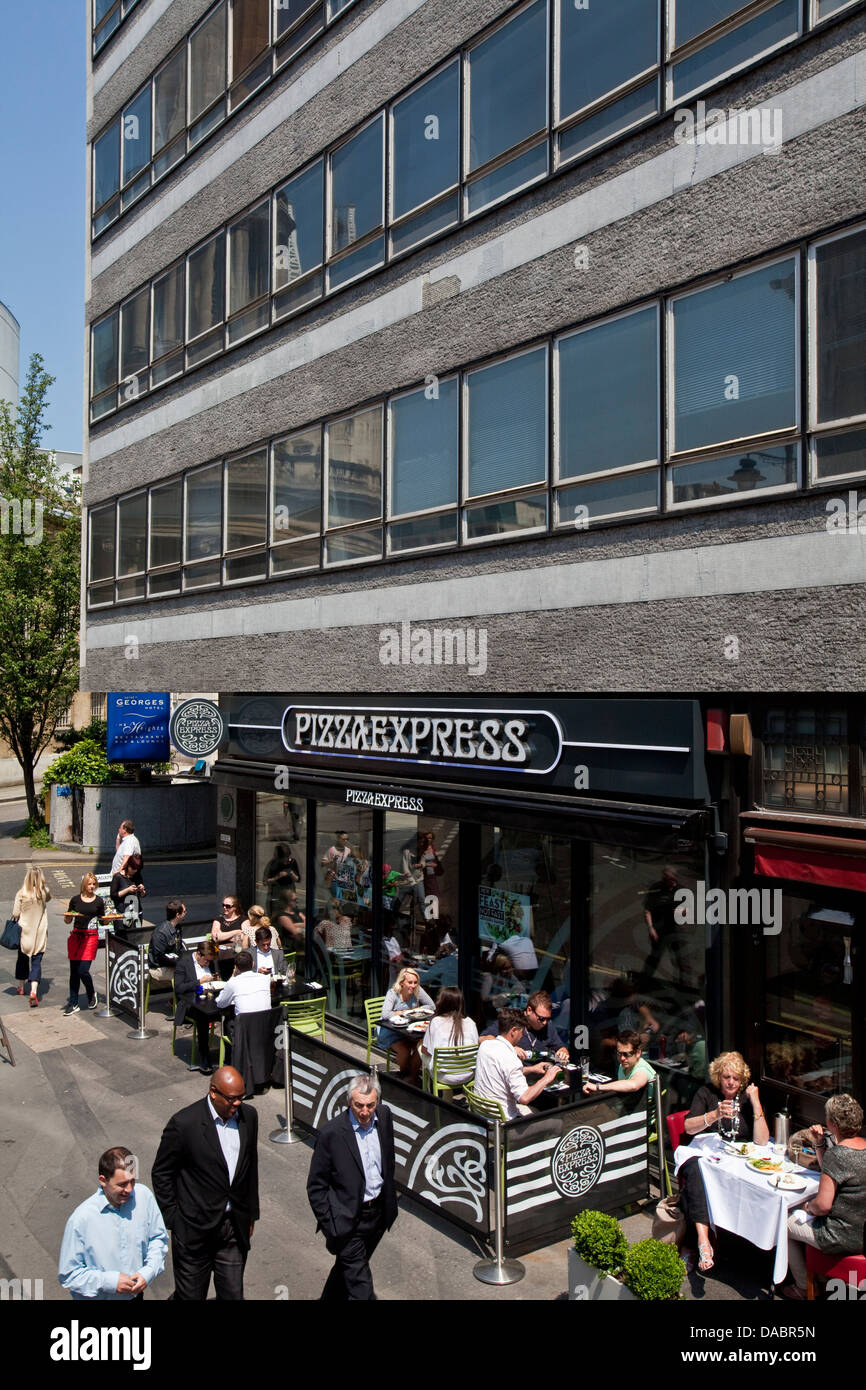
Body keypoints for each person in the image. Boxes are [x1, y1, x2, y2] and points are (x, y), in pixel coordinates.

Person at [152, 1067, 259, 1300]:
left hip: (233, 1229)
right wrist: (175, 1219)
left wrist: (251, 1214)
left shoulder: (249, 1117)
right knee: (190, 1297)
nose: (238, 1103)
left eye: (241, 1097)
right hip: (194, 1232)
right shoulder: (184, 1124)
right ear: (213, 1092)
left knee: (233, 1296)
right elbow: (162, 1173)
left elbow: (250, 1168)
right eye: (231, 1098)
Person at [306, 1073, 398, 1301]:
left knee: (345, 1272)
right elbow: (316, 1185)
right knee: (361, 1289)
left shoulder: (384, 1117)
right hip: (347, 1222)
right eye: (359, 1105)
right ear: (349, 1102)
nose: (365, 1112)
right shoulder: (332, 1134)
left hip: (377, 1216)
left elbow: (388, 1160)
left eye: (370, 1105)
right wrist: (332, 1224)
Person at [678, 1050, 769, 1273]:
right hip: (703, 1152)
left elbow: (762, 1140)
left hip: (736, 1158)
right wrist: (715, 1115)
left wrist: (756, 1103)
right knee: (697, 1173)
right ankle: (702, 1241)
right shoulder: (706, 1093)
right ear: (719, 1076)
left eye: (736, 1078)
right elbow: (688, 1127)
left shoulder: (746, 1099)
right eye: (726, 1077)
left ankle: (748, 1247)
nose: (731, 1082)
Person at [782, 1094, 866, 1300]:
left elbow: (823, 1206)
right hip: (861, 1232)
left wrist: (807, 1207)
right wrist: (819, 1144)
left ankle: (803, 1287)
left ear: (833, 1124)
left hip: (840, 1237)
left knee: (783, 1226)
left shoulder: (838, 1155)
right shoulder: (862, 1147)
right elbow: (830, 1170)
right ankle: (820, 1278)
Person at [58, 1146, 167, 1300]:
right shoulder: (82, 1219)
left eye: (132, 1181)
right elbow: (70, 1274)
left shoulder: (144, 1197)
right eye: (122, 1184)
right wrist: (110, 1282)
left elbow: (157, 1239)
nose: (129, 1189)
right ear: (103, 1181)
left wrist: (148, 1271)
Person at [474, 1008, 560, 1119]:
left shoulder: (485, 1046)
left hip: (481, 1114)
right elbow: (524, 1097)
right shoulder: (511, 1059)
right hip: (504, 1123)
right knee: (556, 1122)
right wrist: (547, 1078)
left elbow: (503, 1072)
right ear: (513, 1031)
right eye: (522, 1032)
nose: (522, 1036)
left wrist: (532, 1069)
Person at [480, 989, 569, 1063]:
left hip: (540, 1074)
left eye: (548, 1019)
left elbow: (561, 1047)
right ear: (529, 1010)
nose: (545, 1022)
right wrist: (509, 1048)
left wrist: (563, 1052)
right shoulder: (512, 1019)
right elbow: (482, 1039)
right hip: (515, 1073)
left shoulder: (548, 1026)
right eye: (541, 1018)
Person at [379, 966, 434, 1082]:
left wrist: (416, 1010)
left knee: (421, 1048)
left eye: (415, 982)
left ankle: (412, 1076)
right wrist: (403, 1012)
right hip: (389, 1031)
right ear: (402, 983)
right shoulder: (393, 993)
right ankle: (403, 1074)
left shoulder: (417, 990)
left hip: (408, 1030)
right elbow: (385, 1014)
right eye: (410, 982)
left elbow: (431, 1006)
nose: (413, 985)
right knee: (404, 1051)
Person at [174, 939, 221, 1074]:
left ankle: (229, 1051)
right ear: (198, 954)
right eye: (206, 961)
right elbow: (179, 988)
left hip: (211, 998)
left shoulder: (211, 963)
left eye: (210, 961)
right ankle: (204, 1055)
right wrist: (199, 981)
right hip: (191, 1002)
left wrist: (216, 979)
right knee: (203, 1016)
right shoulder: (184, 964)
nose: (208, 963)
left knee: (229, 1011)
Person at [63, 872, 107, 1015]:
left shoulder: (99, 901)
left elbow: (103, 920)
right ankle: (73, 1002)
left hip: (91, 937)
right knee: (74, 972)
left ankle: (91, 992)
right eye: (89, 884)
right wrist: (67, 917)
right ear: (84, 885)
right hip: (76, 936)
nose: (92, 886)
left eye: (94, 884)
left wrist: (107, 920)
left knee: (82, 970)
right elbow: (68, 920)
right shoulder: (75, 900)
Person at [421, 987, 479, 1087]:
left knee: (420, 1047)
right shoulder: (470, 1023)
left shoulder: (436, 1022)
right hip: (468, 1074)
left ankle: (426, 1089)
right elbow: (475, 1047)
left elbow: (425, 1051)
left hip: (443, 1076)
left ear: (442, 1003)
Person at [12, 865, 51, 1007]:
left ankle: (21, 987)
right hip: (39, 932)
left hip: (24, 931)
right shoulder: (44, 892)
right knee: (36, 961)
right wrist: (43, 886)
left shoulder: (21, 893)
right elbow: (49, 898)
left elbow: (15, 913)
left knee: (22, 959)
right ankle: (34, 991)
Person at [642, 865, 686, 985]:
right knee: (654, 957)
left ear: (674, 879)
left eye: (668, 879)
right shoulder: (656, 888)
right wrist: (651, 928)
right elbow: (647, 910)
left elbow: (688, 911)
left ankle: (682, 984)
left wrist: (681, 911)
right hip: (659, 930)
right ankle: (644, 981)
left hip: (675, 930)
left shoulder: (681, 891)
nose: (665, 881)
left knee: (681, 959)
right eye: (664, 878)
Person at [583, 1030, 658, 1101]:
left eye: (627, 1054)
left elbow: (633, 1085)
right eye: (619, 1053)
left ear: (638, 1053)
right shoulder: (624, 1065)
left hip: (643, 1109)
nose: (622, 1058)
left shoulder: (642, 1069)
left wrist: (597, 1087)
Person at [216, 950, 272, 1016]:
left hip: (245, 1022)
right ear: (253, 964)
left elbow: (220, 1004)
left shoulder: (233, 982)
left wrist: (232, 976)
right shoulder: (265, 979)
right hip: (267, 1021)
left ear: (236, 967)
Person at [147, 899, 186, 983]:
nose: (185, 914)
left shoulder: (178, 928)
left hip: (173, 964)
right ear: (178, 915)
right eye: (184, 912)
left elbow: (179, 949)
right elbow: (159, 957)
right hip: (159, 968)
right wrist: (177, 963)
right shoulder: (161, 932)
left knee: (192, 968)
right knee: (187, 973)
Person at [212, 894, 249, 980]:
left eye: (228, 906)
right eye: (223, 905)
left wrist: (223, 935)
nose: (225, 908)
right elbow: (216, 937)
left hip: (236, 955)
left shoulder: (243, 919)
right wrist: (236, 932)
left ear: (234, 907)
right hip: (220, 956)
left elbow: (245, 937)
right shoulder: (219, 920)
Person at [110, 852, 146, 921]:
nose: (135, 871)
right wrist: (127, 890)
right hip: (122, 914)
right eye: (133, 868)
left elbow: (142, 895)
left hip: (136, 913)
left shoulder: (137, 876)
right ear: (128, 865)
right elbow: (113, 895)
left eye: (137, 869)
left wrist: (142, 890)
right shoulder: (118, 877)